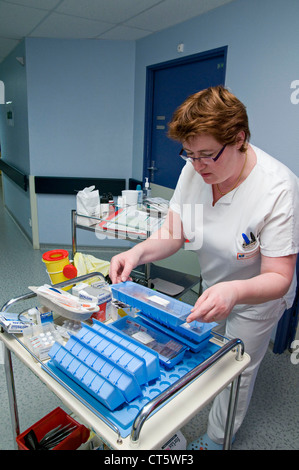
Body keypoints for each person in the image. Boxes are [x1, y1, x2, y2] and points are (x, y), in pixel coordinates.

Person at [109, 86, 299, 450]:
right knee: (201, 353)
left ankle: (215, 441)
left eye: (208, 155)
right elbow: (174, 233)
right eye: (190, 154)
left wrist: (234, 292)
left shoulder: (279, 189)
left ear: (240, 139)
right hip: (215, 286)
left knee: (236, 371)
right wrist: (138, 252)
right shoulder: (194, 171)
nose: (197, 166)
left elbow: (279, 276)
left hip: (257, 298)